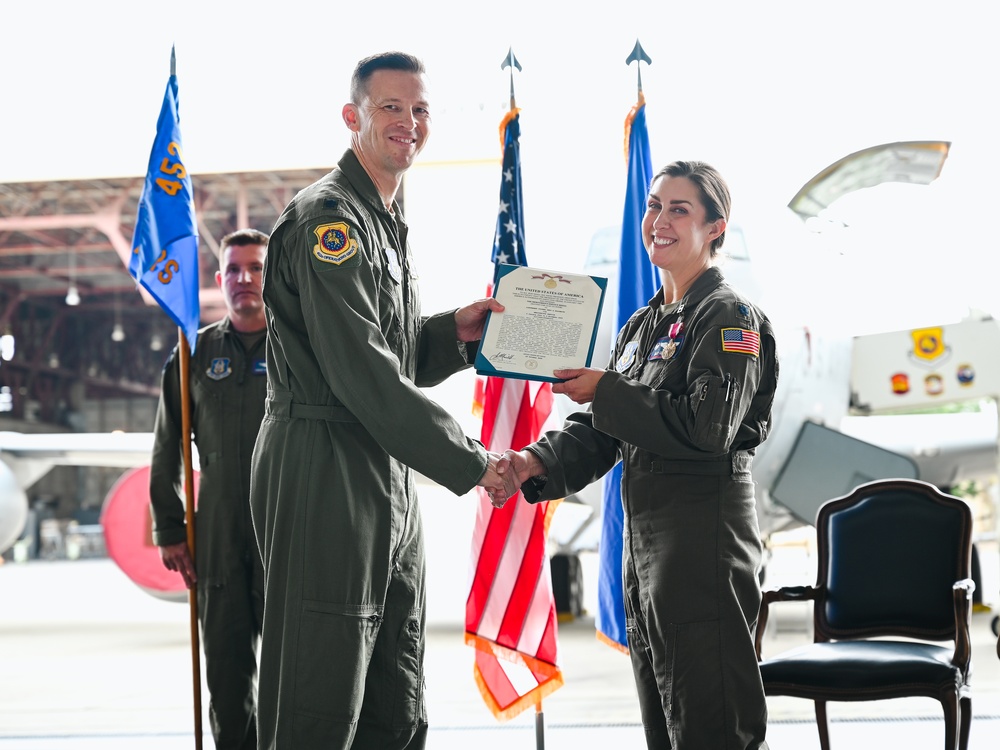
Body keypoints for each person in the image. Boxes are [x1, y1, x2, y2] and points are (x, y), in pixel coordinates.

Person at [248, 51, 517, 749]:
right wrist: (472, 461)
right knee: (321, 684)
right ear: (353, 117)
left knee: (394, 684)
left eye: (420, 110)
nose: (409, 123)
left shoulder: (386, 220)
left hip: (384, 466)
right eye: (391, 108)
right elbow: (361, 372)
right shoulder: (330, 223)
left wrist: (452, 335)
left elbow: (390, 352)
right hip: (325, 463)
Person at [500, 161, 777, 749]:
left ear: (715, 228)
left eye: (680, 210)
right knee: (668, 723)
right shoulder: (642, 327)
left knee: (713, 723)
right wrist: (535, 461)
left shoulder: (728, 319)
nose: (659, 221)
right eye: (655, 206)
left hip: (703, 539)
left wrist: (606, 389)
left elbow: (708, 428)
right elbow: (607, 430)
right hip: (647, 547)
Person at [149, 228, 270, 750]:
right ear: (220, 281)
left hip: (284, 526)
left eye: (257, 267)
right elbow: (166, 447)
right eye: (235, 270)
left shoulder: (304, 350)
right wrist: (172, 528)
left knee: (297, 673)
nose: (245, 279)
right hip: (217, 532)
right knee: (225, 673)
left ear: (273, 275)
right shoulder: (191, 354)